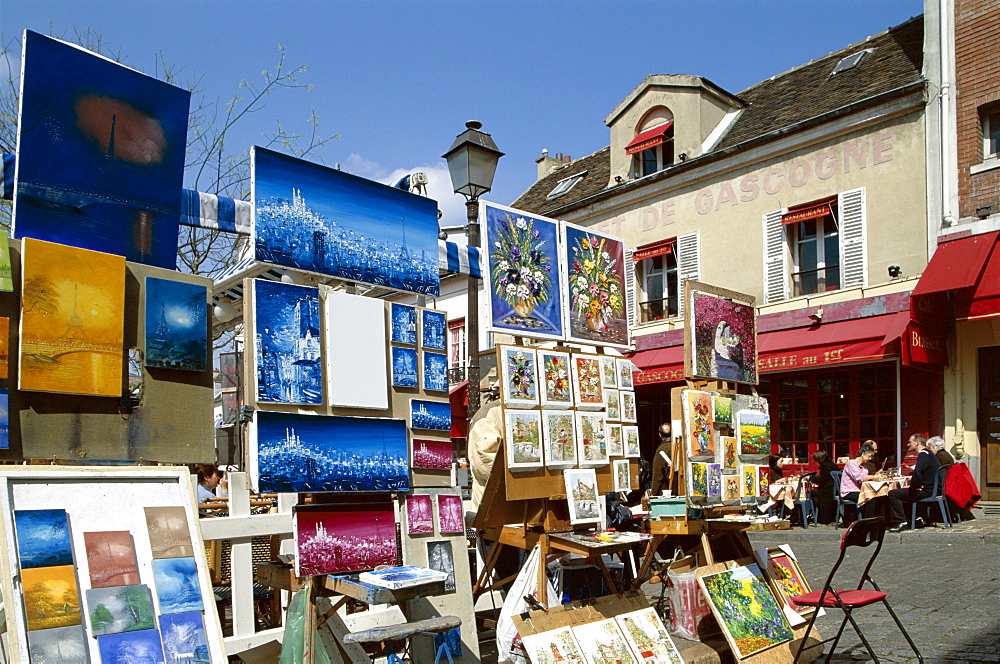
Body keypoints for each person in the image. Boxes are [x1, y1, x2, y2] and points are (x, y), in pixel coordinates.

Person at [888, 434, 941, 532]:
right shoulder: (929, 453)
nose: (908, 445)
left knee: (893, 494)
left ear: (917, 443)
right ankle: (916, 518)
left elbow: (917, 472)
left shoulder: (923, 454)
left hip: (927, 490)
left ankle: (901, 521)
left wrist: (913, 487)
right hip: (933, 488)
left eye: (910, 442)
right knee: (906, 493)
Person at [840, 443, 875, 525]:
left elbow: (864, 479)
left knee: (875, 495)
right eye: (869, 456)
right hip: (848, 491)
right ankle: (868, 522)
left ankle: (869, 519)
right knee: (869, 497)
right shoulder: (851, 463)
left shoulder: (864, 466)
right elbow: (859, 477)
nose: (870, 459)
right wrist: (874, 477)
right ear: (863, 454)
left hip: (859, 490)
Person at [812, 450, 840, 524]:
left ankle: (818, 516)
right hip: (836, 489)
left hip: (827, 491)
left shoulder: (824, 466)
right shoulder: (834, 465)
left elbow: (822, 481)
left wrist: (812, 479)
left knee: (810, 493)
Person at [650, 423, 673, 496]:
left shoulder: (662, 449)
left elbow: (658, 474)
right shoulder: (679, 446)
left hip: (666, 491)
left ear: (660, 435)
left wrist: (653, 493)